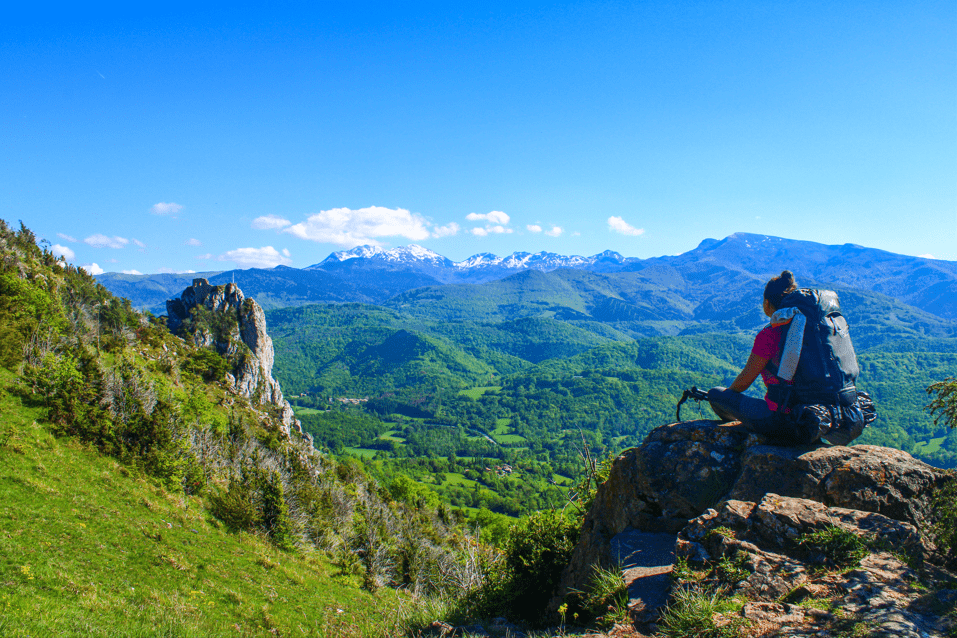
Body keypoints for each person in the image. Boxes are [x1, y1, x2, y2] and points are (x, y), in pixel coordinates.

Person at [707, 270, 800, 440]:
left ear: (767, 303)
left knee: (715, 394)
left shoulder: (770, 334)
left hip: (781, 420)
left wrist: (727, 396)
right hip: (815, 417)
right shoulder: (809, 332)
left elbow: (743, 383)